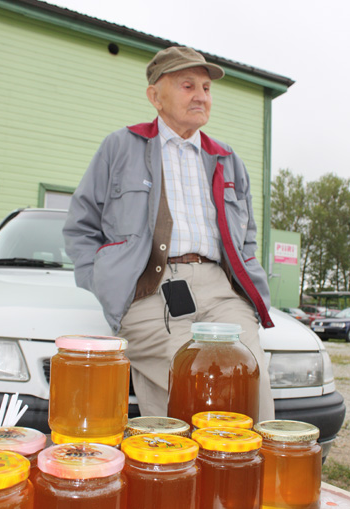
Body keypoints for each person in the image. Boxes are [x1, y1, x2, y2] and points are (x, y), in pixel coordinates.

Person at [63, 46, 275, 421]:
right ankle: (183, 474)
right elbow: (80, 225)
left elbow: (247, 237)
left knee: (250, 379)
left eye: (207, 88)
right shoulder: (121, 146)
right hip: (150, 292)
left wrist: (248, 278)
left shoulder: (227, 158)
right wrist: (103, 281)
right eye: (188, 85)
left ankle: (252, 479)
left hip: (219, 290)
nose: (201, 96)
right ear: (154, 96)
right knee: (193, 386)